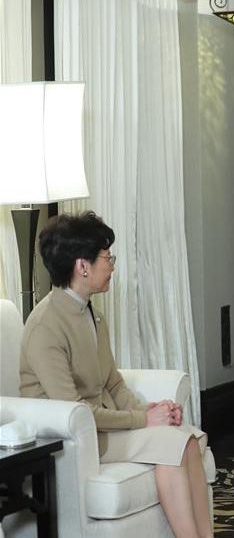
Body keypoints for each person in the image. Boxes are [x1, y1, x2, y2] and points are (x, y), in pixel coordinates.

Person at [19, 211, 212, 538]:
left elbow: (112, 383)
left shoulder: (92, 313)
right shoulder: (45, 326)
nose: (112, 265)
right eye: (107, 257)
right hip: (78, 439)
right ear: (83, 266)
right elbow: (74, 409)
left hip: (103, 427)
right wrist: (143, 421)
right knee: (175, 443)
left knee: (186, 439)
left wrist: (151, 410)